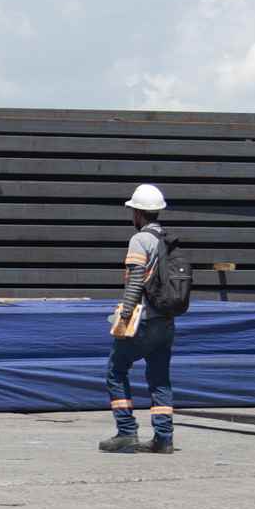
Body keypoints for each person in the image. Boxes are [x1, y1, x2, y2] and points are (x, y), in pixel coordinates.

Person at [100, 182, 175, 455]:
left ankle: (126, 432)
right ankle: (163, 438)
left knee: (115, 370)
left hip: (142, 319)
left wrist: (126, 313)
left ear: (138, 214)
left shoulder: (140, 240)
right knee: (159, 378)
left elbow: (135, 281)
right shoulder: (167, 240)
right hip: (166, 320)